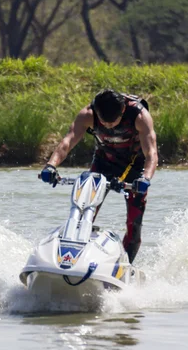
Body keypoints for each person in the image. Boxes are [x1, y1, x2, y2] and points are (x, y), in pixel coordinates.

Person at [39, 89, 158, 264]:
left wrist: (145, 179)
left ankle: (125, 267)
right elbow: (67, 142)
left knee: (134, 226)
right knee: (82, 212)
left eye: (113, 122)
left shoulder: (140, 116)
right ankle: (71, 258)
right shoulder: (88, 114)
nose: (109, 126)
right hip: (104, 162)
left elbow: (152, 154)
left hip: (135, 167)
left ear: (123, 110)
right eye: (104, 122)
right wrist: (51, 165)